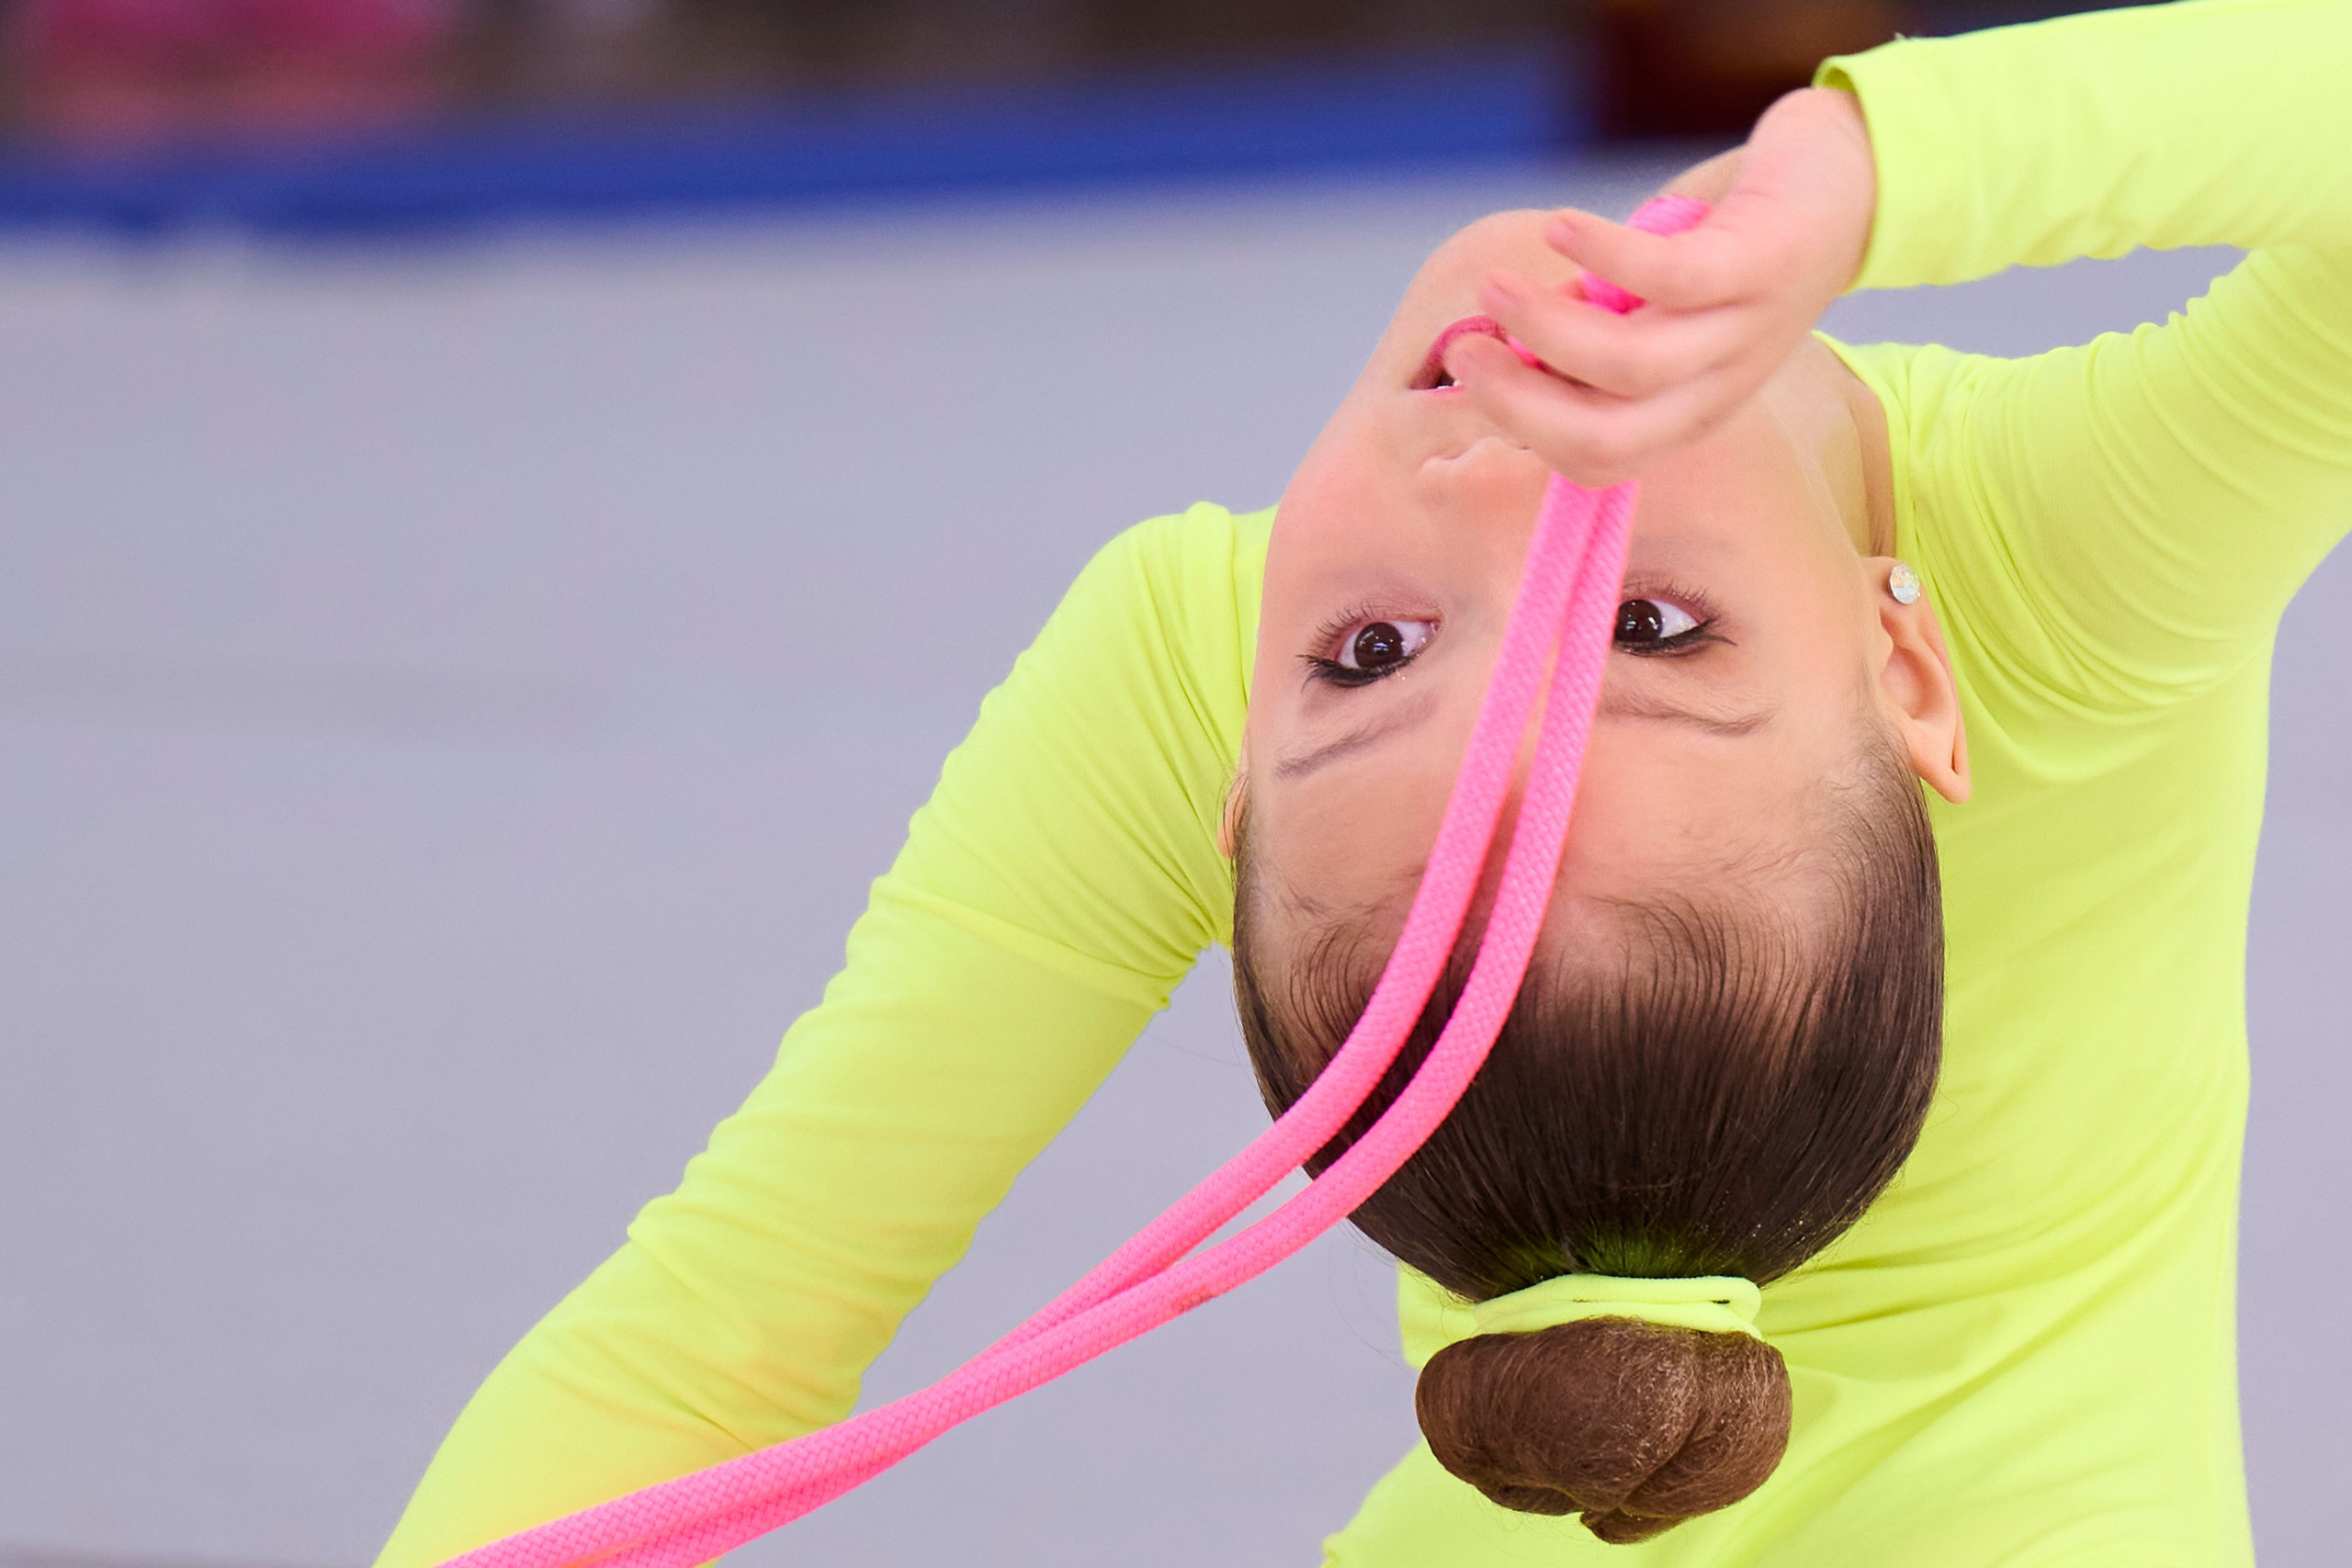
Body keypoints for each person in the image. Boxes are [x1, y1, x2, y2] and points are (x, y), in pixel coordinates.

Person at [375, 0, 2352, 1562]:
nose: (1503, 494)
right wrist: (1871, 172)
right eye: (1650, 636)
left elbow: (722, 1337)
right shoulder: (2058, 568)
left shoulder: (1201, 648)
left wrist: (1857, 163)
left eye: (1373, 658)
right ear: (1904, 664)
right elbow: (714, 1340)